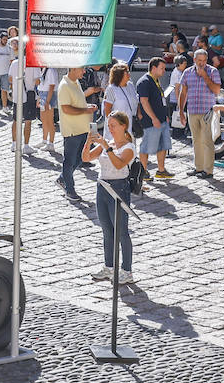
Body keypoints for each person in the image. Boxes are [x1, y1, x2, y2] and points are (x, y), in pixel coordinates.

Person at [83, 111, 138, 284]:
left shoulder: (129, 147)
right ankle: (109, 267)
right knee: (107, 230)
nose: (110, 129)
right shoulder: (109, 143)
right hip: (102, 187)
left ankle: (127, 270)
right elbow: (86, 157)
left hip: (119, 189)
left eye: (113, 125)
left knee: (121, 232)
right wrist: (88, 141)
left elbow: (119, 163)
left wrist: (106, 146)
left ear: (123, 126)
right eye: (109, 126)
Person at [177, 49, 222, 178]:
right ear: (194, 60)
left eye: (204, 60)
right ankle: (198, 168)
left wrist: (205, 76)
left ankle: (208, 171)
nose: (202, 63)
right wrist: (181, 111)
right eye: (199, 60)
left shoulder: (213, 71)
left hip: (207, 111)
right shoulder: (187, 72)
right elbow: (183, 92)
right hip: (192, 111)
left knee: (207, 141)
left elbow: (217, 90)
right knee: (196, 141)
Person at [57, 66, 96, 200]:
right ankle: (69, 189)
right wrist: (85, 111)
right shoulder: (64, 86)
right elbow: (66, 109)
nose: (84, 72)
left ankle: (63, 178)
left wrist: (87, 107)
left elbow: (78, 104)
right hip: (72, 131)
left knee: (80, 159)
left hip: (82, 129)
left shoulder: (76, 82)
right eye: (82, 69)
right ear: (73, 69)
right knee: (69, 161)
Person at [135, 58, 173, 179]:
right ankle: (143, 171)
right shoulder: (145, 81)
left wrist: (164, 116)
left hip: (161, 119)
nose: (164, 70)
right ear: (153, 68)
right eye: (161, 68)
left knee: (163, 145)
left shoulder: (156, 80)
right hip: (151, 121)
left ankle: (161, 170)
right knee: (146, 146)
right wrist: (154, 118)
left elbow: (160, 101)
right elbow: (143, 102)